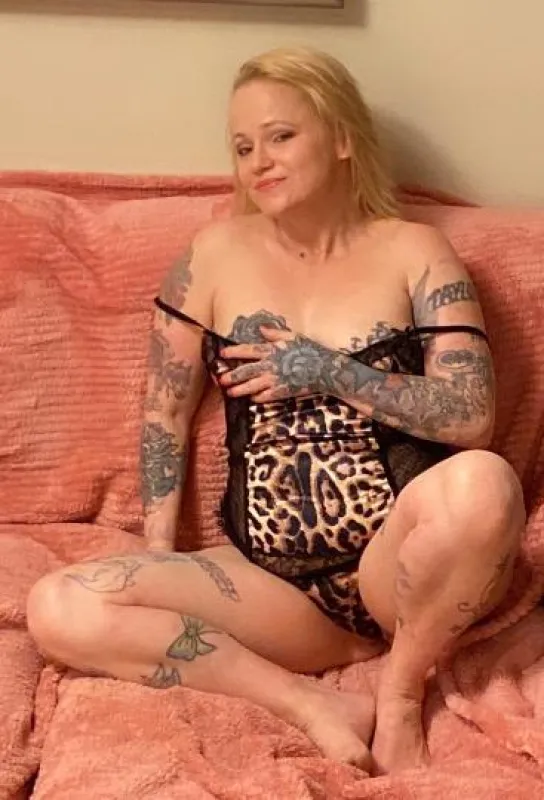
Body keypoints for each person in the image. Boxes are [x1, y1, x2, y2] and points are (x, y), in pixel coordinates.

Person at [26, 47, 525, 775]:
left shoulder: (417, 251)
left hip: (397, 570)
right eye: (242, 146)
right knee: (58, 606)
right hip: (273, 587)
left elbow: (471, 416)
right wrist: (158, 553)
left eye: (281, 136)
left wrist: (327, 370)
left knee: (486, 484)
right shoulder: (209, 258)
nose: (258, 161)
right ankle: (309, 703)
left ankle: (398, 693)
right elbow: (164, 416)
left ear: (342, 137)